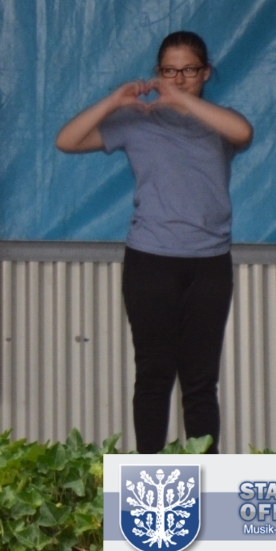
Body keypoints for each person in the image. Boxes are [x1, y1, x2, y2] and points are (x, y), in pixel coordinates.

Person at [55, 31, 252, 454]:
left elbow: (243, 132)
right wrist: (114, 100)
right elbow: (66, 141)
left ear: (206, 72)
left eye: (189, 71)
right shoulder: (137, 121)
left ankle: (205, 475)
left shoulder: (218, 122)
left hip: (209, 263)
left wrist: (181, 100)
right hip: (150, 260)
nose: (178, 79)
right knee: (153, 375)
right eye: (169, 71)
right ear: (156, 72)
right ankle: (149, 474)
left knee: (200, 382)